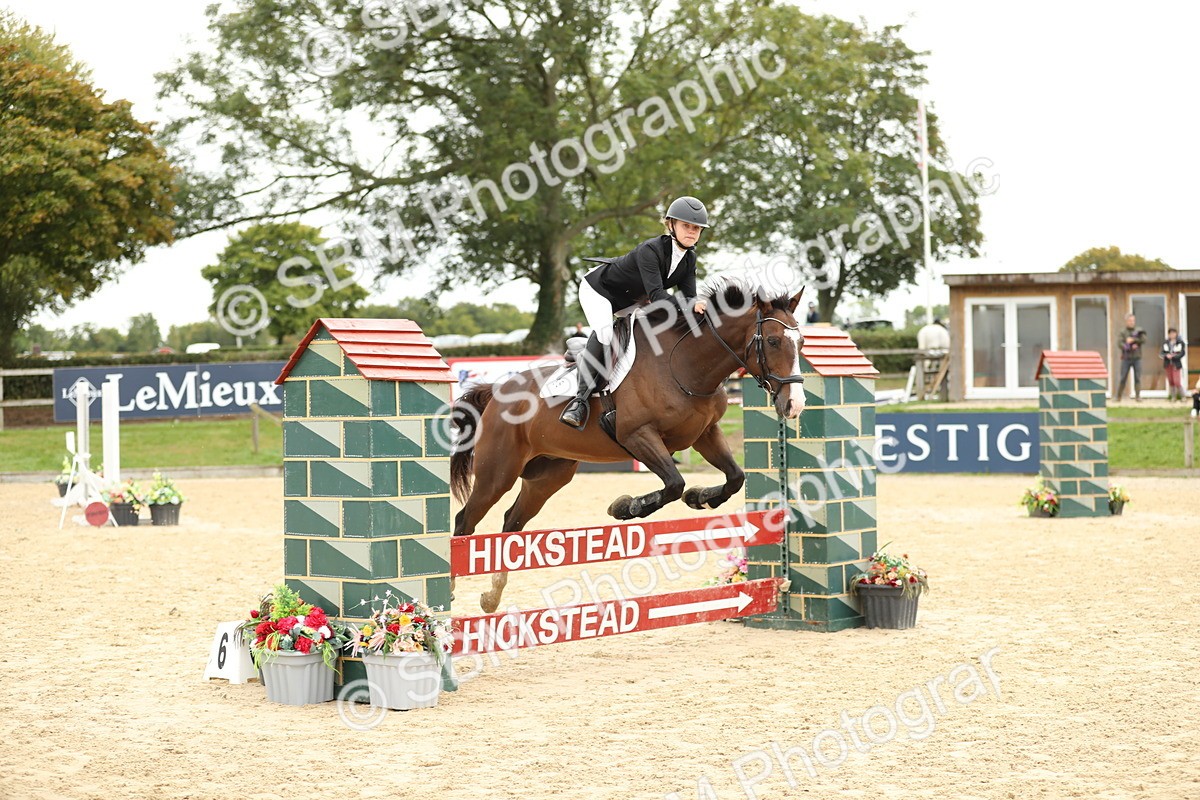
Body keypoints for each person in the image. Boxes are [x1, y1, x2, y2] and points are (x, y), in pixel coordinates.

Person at [559, 196, 711, 429]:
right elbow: (658, 295)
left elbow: (689, 297)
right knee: (605, 334)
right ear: (671, 225)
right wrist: (690, 305)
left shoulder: (689, 259)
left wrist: (702, 307)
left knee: (651, 329)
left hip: (632, 300)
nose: (692, 232)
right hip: (600, 291)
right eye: (686, 226)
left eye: (696, 228)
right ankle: (579, 402)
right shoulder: (651, 249)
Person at [1114, 313, 1146, 401]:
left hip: (1137, 358)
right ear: (1126, 321)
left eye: (1133, 321)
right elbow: (1119, 343)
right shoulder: (1123, 332)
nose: (1132, 322)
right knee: (1123, 377)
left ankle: (1138, 397)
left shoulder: (1139, 330)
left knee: (1137, 378)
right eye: (1130, 321)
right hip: (1126, 358)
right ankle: (1118, 397)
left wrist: (1134, 340)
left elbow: (1144, 339)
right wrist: (1127, 346)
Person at [1161, 327, 1186, 400]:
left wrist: (1174, 356)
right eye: (1171, 333)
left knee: (1177, 381)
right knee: (1171, 380)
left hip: (1176, 364)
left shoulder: (1180, 343)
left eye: (1174, 333)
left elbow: (1182, 353)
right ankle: (1173, 396)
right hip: (1168, 364)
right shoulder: (1165, 343)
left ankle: (1182, 396)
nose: (1172, 335)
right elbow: (1161, 353)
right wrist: (1166, 356)